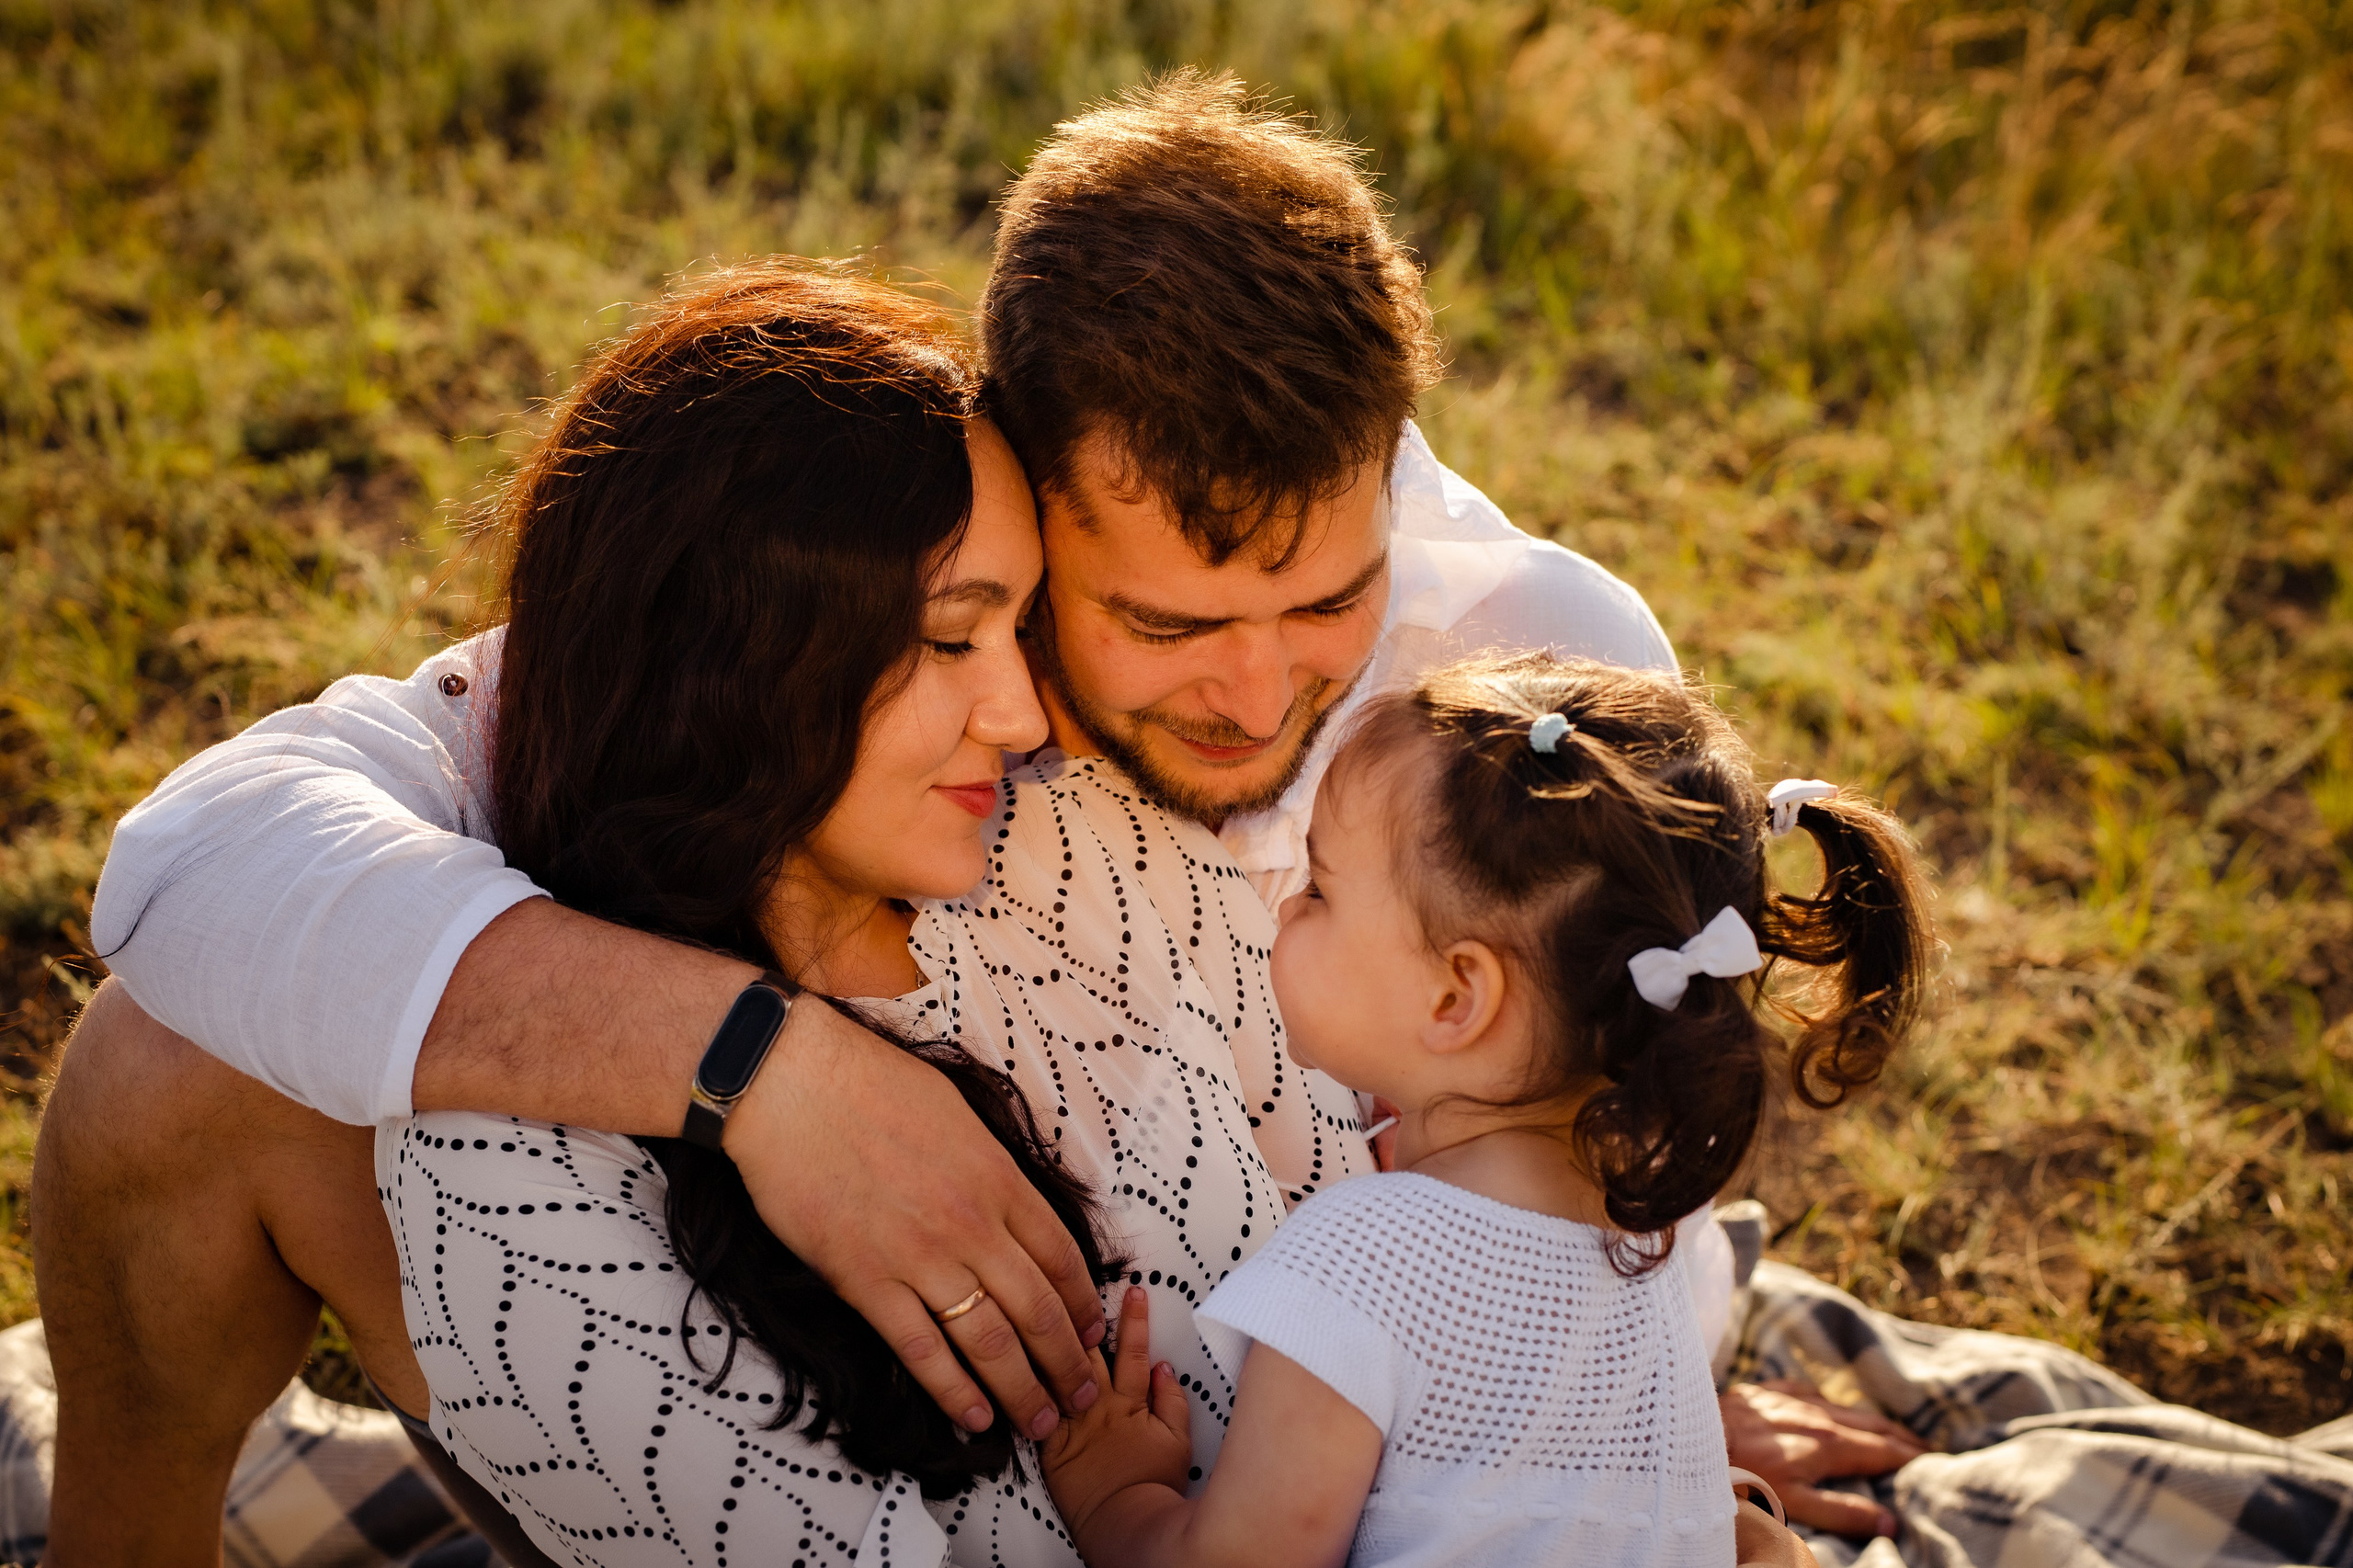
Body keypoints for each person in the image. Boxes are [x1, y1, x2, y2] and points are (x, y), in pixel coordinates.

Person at [36, 74, 1904, 1564]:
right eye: (1163, 624)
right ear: (1021, 484)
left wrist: (1587, 1430)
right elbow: (205, 856)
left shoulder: (1528, 664)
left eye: (1322, 606)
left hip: (1333, 1363)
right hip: (1064, 1356)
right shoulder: (893, 593)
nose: (1261, 698)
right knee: (172, 1064)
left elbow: (1622, 1064)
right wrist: (765, 1072)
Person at [1038, 655, 1931, 1567]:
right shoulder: (1642, 1239)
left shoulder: (1361, 1256)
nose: (1283, 913)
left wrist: (1114, 1490)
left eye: (1317, 888)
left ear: (1453, 997)